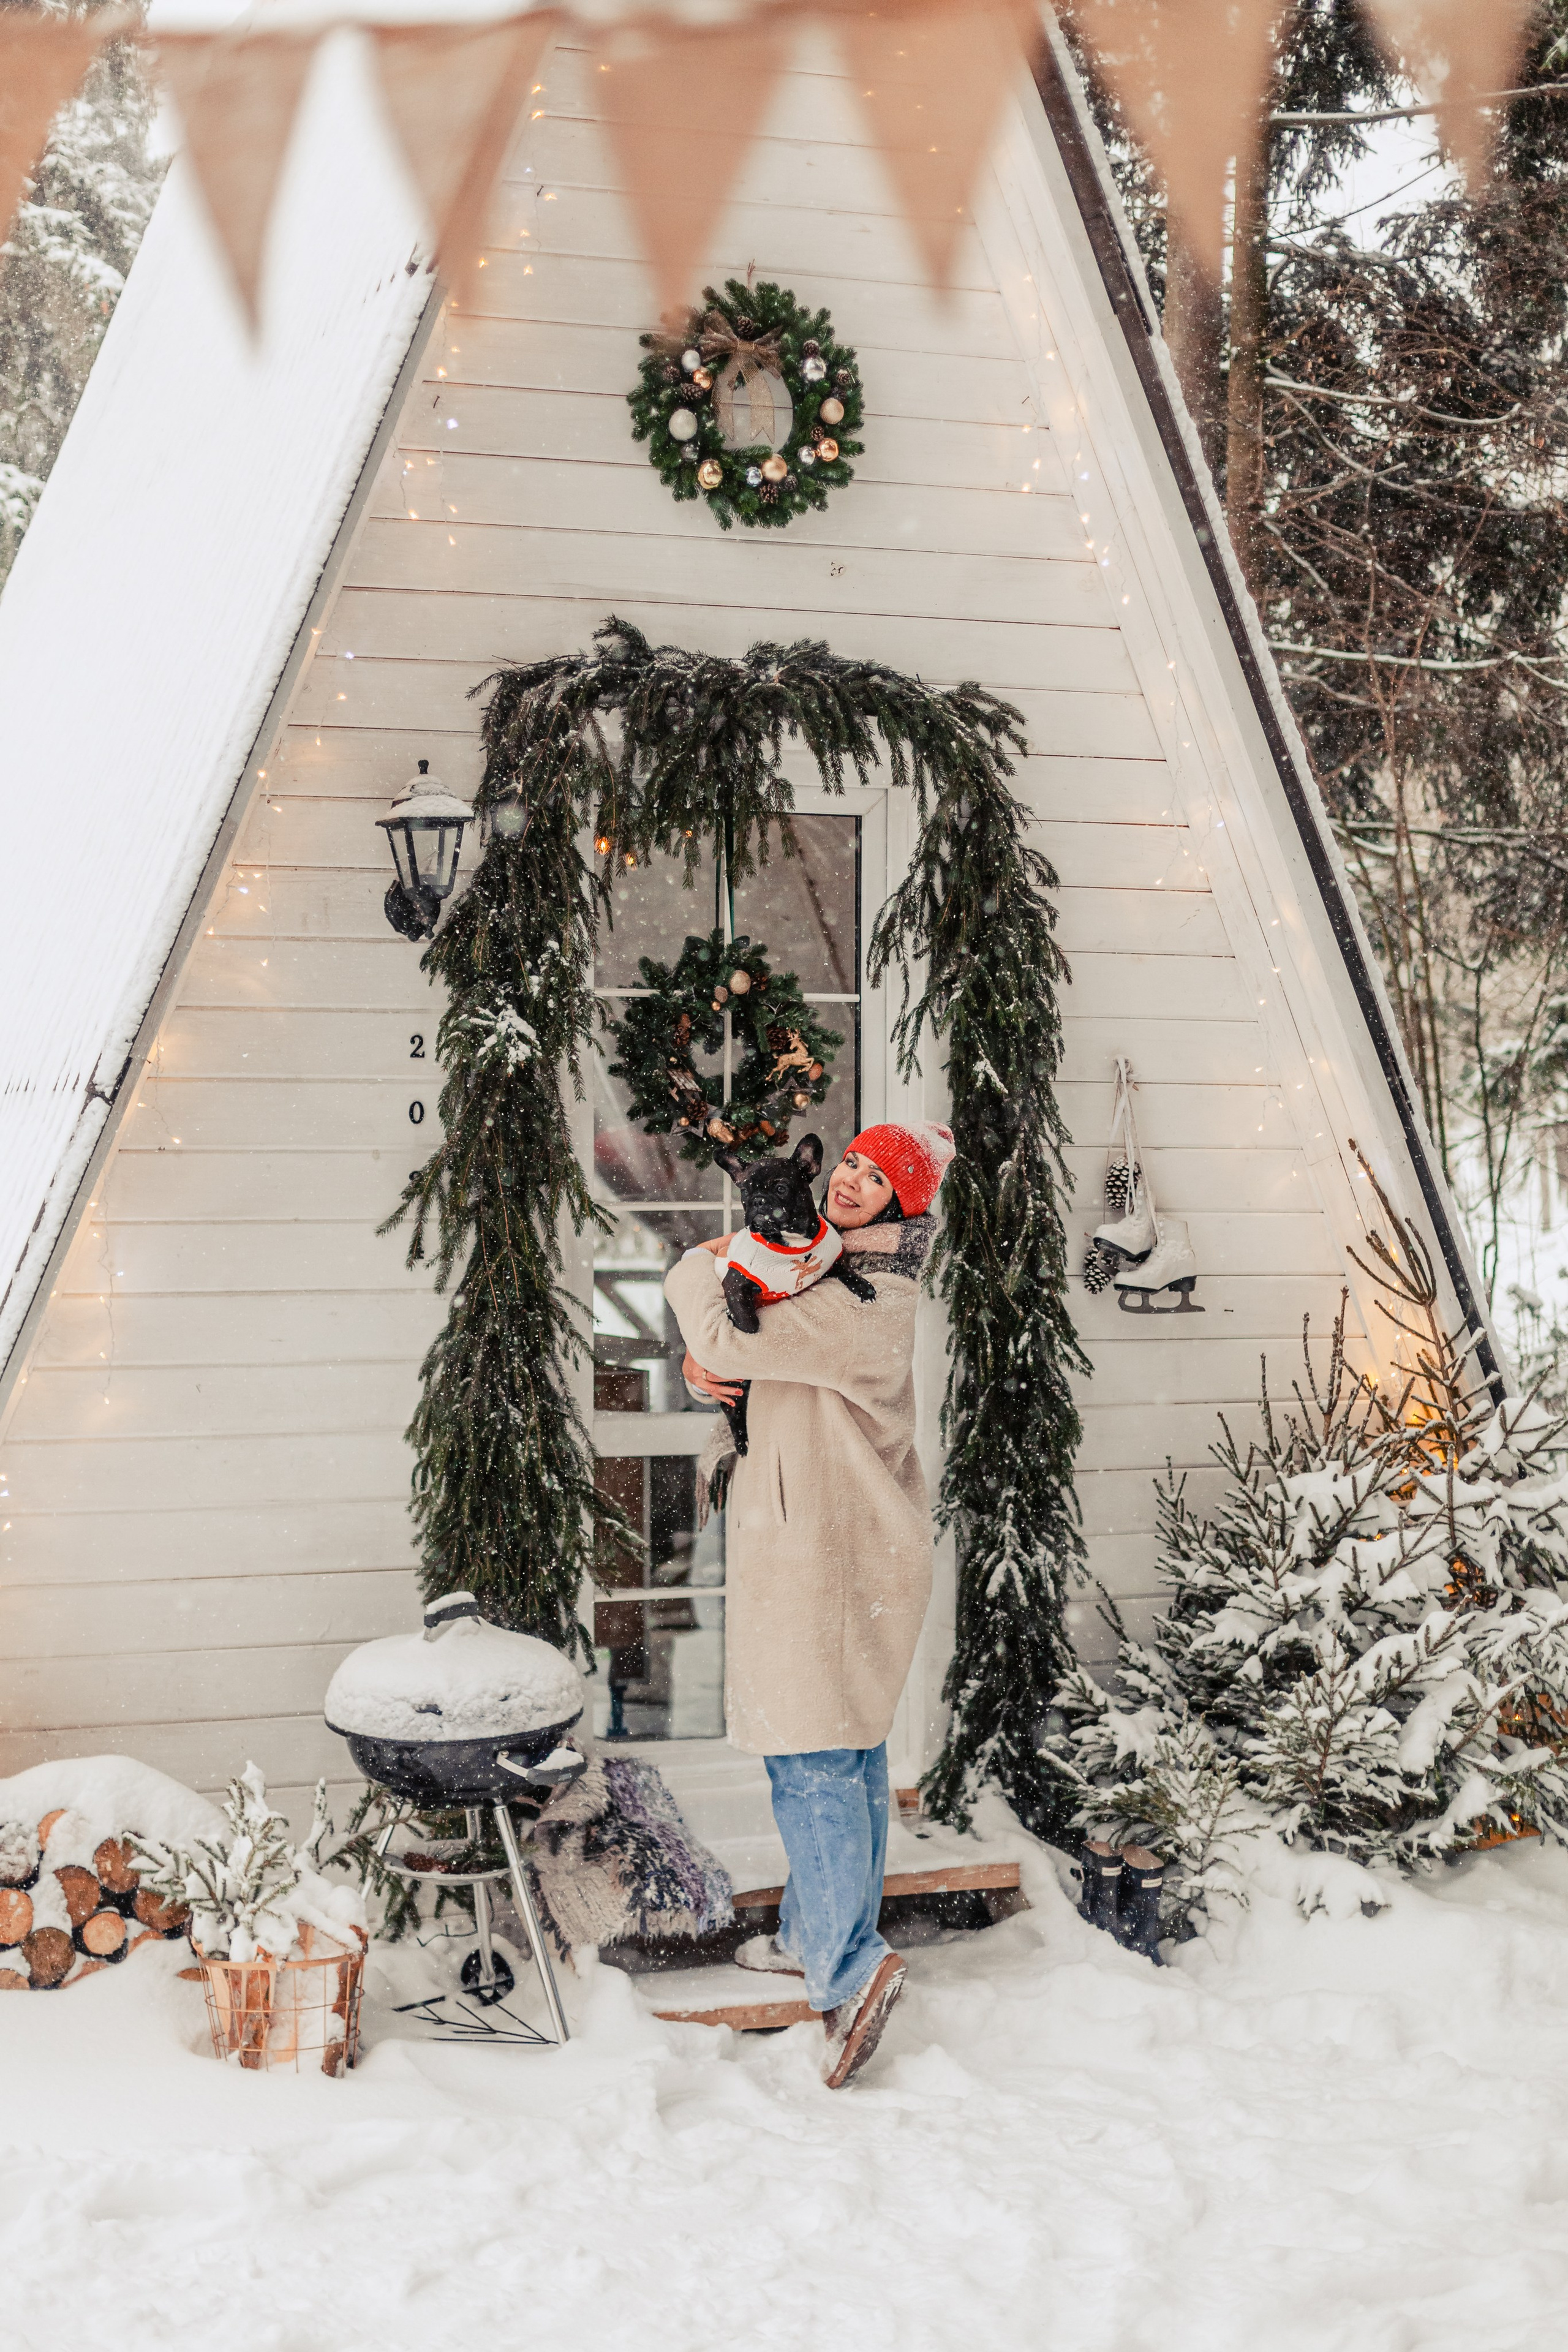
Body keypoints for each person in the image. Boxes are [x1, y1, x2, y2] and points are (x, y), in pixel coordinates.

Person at [663, 1119, 954, 2089]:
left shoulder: (867, 1297)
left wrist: (694, 1265)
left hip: (835, 1556)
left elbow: (718, 1326)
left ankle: (848, 1971)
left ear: (904, 1207)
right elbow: (747, 1370)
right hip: (831, 1546)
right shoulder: (828, 1279)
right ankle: (811, 1934)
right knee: (846, 1753)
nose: (854, 1183)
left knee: (815, 1760)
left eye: (880, 1179)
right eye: (854, 1165)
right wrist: (718, 1387)